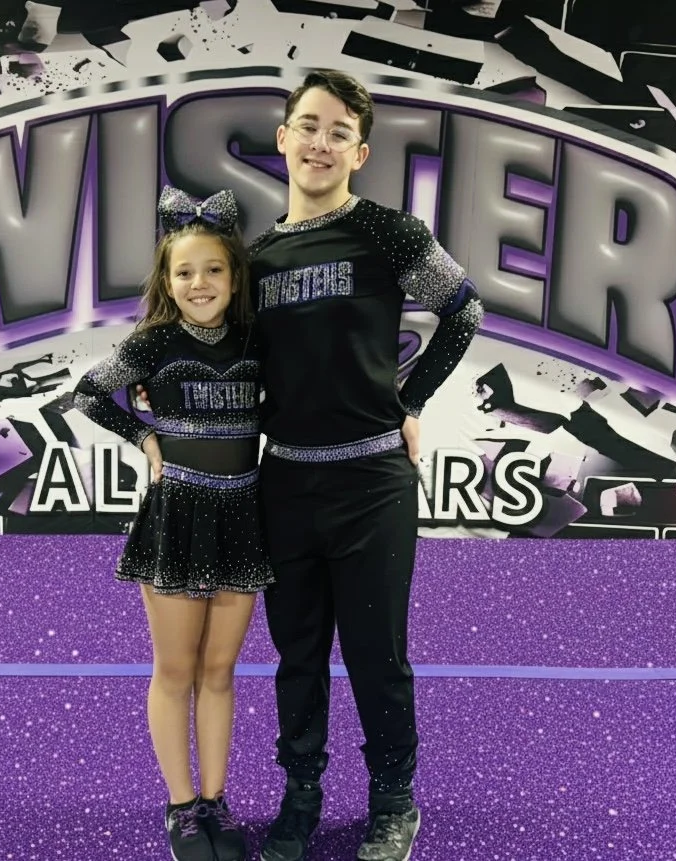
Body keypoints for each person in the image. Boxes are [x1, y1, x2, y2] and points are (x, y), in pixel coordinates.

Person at [249, 70, 485, 861]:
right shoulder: (255, 260)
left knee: (377, 656)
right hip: (285, 482)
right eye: (309, 126)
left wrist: (410, 400)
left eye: (339, 132)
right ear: (283, 138)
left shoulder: (390, 233)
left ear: (360, 152)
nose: (320, 143)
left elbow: (463, 309)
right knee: (298, 656)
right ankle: (300, 796)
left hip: (371, 481)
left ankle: (393, 799)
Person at [55, 185, 274, 861]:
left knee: (220, 669)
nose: (199, 283)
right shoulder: (153, 343)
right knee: (176, 667)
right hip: (177, 515)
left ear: (234, 276)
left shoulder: (257, 340)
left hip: (241, 513)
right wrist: (145, 437)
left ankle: (215, 797)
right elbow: (88, 393)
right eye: (185, 272)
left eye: (213, 269)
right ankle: (181, 805)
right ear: (166, 280)